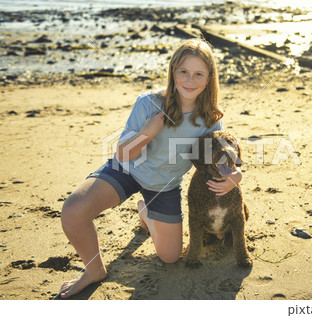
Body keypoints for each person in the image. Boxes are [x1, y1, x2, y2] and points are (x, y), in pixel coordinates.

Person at [58, 38, 243, 299]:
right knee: (73, 212)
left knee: (169, 257)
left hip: (163, 186)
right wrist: (147, 133)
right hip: (126, 171)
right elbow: (122, 153)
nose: (189, 80)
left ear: (210, 77)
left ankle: (145, 212)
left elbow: (220, 158)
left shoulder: (211, 118)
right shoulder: (148, 103)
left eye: (198, 74)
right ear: (173, 72)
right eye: (183, 72)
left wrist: (236, 175)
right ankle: (94, 270)